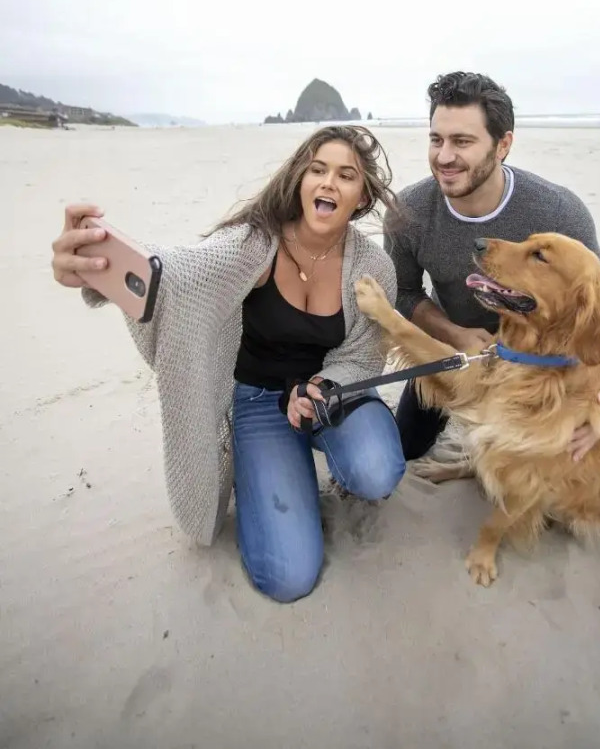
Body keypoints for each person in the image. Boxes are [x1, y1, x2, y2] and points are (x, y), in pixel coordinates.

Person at [51, 125, 406, 603]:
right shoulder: (254, 243)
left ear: (361, 197)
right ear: (299, 179)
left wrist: (322, 386)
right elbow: (181, 272)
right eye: (317, 169)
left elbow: (364, 352)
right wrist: (99, 270)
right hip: (257, 401)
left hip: (329, 396)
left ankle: (318, 454)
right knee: (289, 577)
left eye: (346, 175)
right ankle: (264, 465)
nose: (328, 183)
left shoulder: (373, 266)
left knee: (377, 470)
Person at [383, 71, 600, 582]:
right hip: (468, 352)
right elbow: (405, 295)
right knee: (402, 447)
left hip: (548, 358)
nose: (445, 156)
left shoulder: (557, 209)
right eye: (436, 139)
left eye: (463, 141)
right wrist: (452, 331)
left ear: (503, 145)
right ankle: (475, 458)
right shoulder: (409, 212)